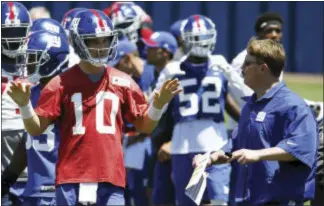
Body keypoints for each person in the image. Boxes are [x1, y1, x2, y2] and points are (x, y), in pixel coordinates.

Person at [7, 9, 181, 205]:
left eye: (106, 40)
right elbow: (35, 128)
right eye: (94, 41)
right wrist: (24, 105)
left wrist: (158, 105)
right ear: (79, 42)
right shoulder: (60, 83)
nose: (102, 47)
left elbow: (145, 126)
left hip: (110, 177)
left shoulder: (124, 81)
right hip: (70, 179)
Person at [194, 38, 318, 205]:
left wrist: (257, 155)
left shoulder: (293, 106)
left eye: (247, 63)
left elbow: (302, 148)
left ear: (262, 68)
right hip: (247, 199)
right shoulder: (250, 105)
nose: (242, 68)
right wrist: (213, 156)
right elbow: (238, 143)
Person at [157, 14, 240, 206]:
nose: (202, 43)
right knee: (189, 202)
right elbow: (157, 108)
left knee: (219, 201)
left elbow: (232, 99)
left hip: (213, 144)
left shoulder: (219, 65)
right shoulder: (173, 69)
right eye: (197, 39)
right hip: (184, 144)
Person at [3, 30, 70, 206]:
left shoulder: (69, 95)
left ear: (50, 59)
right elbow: (28, 140)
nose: (27, 63)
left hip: (61, 190)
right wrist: (7, 178)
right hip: (34, 189)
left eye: (33, 57)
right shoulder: (30, 93)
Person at [227, 12, 323, 134]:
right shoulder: (243, 60)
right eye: (269, 30)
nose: (274, 35)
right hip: (242, 128)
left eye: (278, 31)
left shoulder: (274, 58)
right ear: (258, 33)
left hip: (264, 124)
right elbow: (243, 97)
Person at [140, 31, 179, 206]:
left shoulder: (179, 78)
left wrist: (174, 143)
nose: (146, 50)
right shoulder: (151, 76)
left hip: (177, 149)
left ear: (166, 52)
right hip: (157, 146)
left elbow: (187, 115)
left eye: (151, 47)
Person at [1, 2, 31, 205]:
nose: (12, 37)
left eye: (17, 31)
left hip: (32, 146)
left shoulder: (40, 56)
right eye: (7, 31)